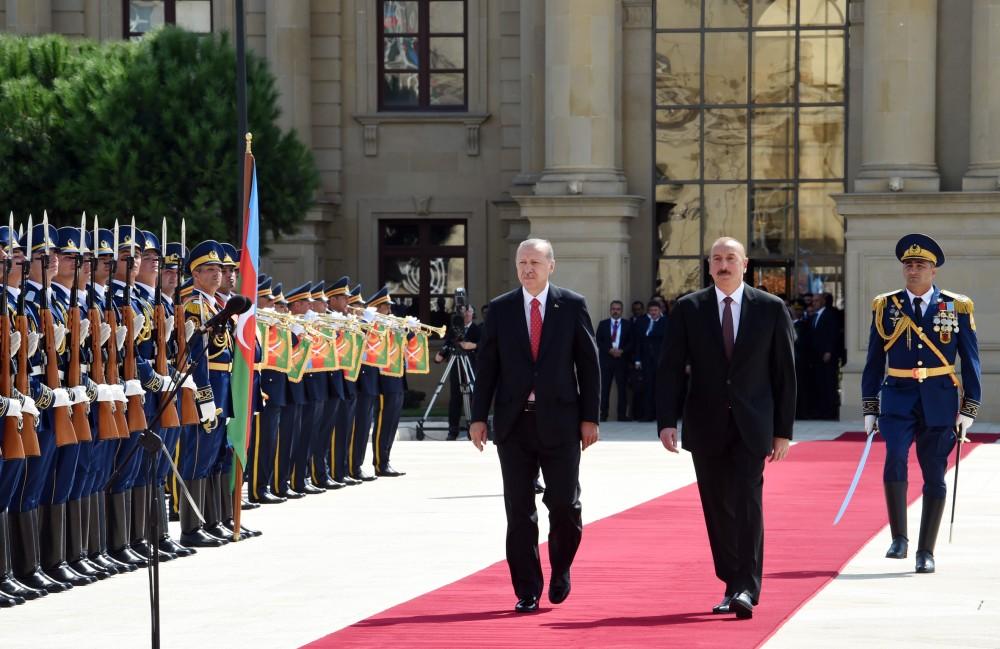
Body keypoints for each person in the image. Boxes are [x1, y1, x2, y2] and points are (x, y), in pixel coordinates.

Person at [656, 236, 795, 620]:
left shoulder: (770, 308)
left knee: (748, 503)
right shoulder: (689, 308)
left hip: (753, 424)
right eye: (716, 259)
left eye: (730, 258)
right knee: (717, 508)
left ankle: (747, 587)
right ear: (709, 265)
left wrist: (783, 430)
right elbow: (670, 368)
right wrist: (666, 421)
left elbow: (785, 374)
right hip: (705, 424)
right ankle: (732, 582)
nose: (723, 265)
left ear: (744, 264)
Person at [470, 238, 600, 613]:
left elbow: (589, 365)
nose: (528, 269)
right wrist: (478, 417)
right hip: (514, 424)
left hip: (561, 422)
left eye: (535, 263)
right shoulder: (501, 309)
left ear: (551, 266)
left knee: (564, 505)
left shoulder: (571, 305)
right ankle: (527, 589)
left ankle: (561, 568)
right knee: (519, 510)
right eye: (522, 263)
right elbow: (487, 367)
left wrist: (590, 418)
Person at [860, 234, 980, 574]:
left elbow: (971, 360)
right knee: (895, 457)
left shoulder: (956, 306)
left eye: (920, 265)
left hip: (939, 398)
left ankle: (926, 551)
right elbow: (873, 360)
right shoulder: (886, 306)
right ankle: (899, 538)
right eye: (909, 265)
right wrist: (870, 405)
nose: (913, 270)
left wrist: (970, 407)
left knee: (934, 472)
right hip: (897, 396)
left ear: (933, 270)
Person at [434, 304, 480, 440]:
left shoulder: (477, 329)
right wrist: (440, 356)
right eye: (463, 311)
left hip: (471, 367)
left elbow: (486, 345)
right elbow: (448, 345)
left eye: (469, 311)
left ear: (473, 313)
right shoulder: (454, 330)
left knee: (473, 398)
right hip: (456, 366)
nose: (466, 314)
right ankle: (453, 430)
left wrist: (473, 345)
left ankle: (474, 429)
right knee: (455, 399)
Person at [595, 300, 633, 421]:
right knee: (605, 388)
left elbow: (632, 341)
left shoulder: (628, 324)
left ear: (621, 311)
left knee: (622, 388)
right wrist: (609, 350)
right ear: (610, 310)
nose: (615, 311)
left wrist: (622, 351)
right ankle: (603, 414)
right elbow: (598, 340)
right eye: (613, 309)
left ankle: (621, 415)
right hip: (607, 360)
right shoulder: (603, 324)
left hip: (622, 360)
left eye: (618, 309)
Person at [806, 292, 841, 420]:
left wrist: (829, 351)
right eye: (813, 301)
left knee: (828, 384)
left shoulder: (829, 315)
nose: (814, 303)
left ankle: (830, 412)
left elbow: (832, 334)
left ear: (823, 301)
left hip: (827, 357)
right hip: (816, 357)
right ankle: (821, 411)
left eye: (816, 300)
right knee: (819, 384)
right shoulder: (814, 316)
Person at [636, 299, 667, 421]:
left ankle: (661, 416)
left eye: (655, 310)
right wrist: (637, 359)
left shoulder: (666, 322)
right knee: (647, 388)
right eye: (651, 310)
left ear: (660, 311)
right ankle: (647, 415)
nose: (653, 312)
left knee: (660, 388)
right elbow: (638, 342)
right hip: (646, 361)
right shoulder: (642, 322)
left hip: (660, 361)